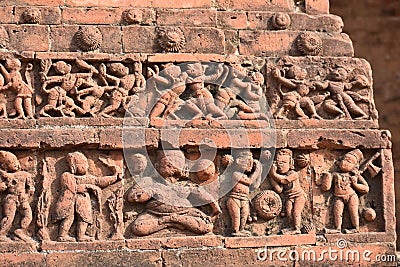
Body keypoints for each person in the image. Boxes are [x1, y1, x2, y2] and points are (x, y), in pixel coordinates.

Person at [53, 152, 121, 242]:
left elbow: (99, 181)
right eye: (83, 164)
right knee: (69, 218)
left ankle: (81, 236)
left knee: (84, 218)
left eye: (86, 164)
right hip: (71, 202)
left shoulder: (87, 177)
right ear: (74, 166)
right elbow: (71, 188)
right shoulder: (67, 176)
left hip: (83, 202)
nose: (86, 166)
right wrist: (87, 187)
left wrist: (114, 177)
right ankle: (62, 235)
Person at [321, 149, 369, 234]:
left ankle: (355, 228)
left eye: (349, 162)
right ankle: (337, 228)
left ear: (355, 166)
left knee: (353, 211)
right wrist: (327, 177)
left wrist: (355, 184)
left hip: (352, 196)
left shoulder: (355, 176)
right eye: (344, 159)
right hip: (338, 196)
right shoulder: (335, 175)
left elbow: (366, 189)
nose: (345, 162)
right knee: (337, 212)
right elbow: (326, 188)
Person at [269, 149, 306, 235]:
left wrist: (273, 174)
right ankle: (291, 227)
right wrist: (271, 176)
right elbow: (279, 189)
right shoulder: (280, 176)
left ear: (291, 164)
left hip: (299, 196)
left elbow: (284, 181)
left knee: (296, 212)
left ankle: (297, 228)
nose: (280, 165)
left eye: (284, 162)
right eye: (278, 163)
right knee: (289, 212)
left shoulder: (294, 174)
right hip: (289, 197)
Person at [0, 151, 34, 242]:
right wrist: (4, 185)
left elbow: (31, 188)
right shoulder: (7, 177)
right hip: (10, 199)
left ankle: (19, 231)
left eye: (15, 161)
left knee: (28, 216)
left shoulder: (24, 175)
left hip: (23, 199)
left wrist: (27, 195)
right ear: (5, 166)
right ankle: (2, 233)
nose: (15, 164)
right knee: (8, 217)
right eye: (10, 163)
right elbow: (2, 187)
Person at [225, 150, 262, 236]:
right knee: (236, 217)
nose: (250, 165)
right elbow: (249, 182)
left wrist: (259, 172)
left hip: (244, 199)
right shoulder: (236, 174)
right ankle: (235, 230)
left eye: (251, 162)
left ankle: (241, 229)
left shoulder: (245, 175)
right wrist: (256, 172)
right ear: (238, 161)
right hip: (235, 198)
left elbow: (255, 186)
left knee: (244, 216)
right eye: (248, 162)